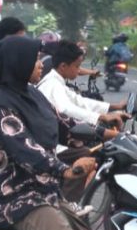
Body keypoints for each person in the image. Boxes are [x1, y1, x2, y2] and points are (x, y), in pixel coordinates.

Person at [0, 36, 97, 230]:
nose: (42, 64)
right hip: (18, 197)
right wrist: (66, 170)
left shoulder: (31, 93)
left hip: (45, 190)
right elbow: (25, 148)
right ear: (17, 63)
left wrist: (104, 131)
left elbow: (64, 124)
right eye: (35, 60)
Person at [37, 40, 130, 200]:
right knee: (87, 156)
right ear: (63, 66)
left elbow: (79, 101)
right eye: (77, 66)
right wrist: (101, 117)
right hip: (50, 143)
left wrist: (112, 107)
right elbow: (67, 109)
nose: (79, 70)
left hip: (58, 136)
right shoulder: (52, 85)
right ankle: (66, 204)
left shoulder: (58, 82)